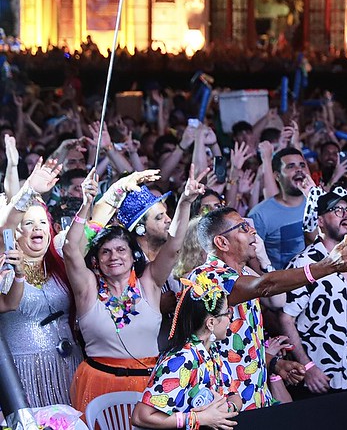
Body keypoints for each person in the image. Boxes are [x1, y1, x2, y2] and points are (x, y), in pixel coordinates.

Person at [188, 207, 347, 410]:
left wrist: (274, 364)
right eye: (243, 227)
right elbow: (265, 286)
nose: (253, 232)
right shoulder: (207, 276)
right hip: (223, 403)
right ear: (222, 242)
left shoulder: (245, 272)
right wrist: (324, 267)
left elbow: (243, 342)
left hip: (255, 397)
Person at [64, 168, 206, 415]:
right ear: (96, 261)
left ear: (132, 256)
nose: (114, 257)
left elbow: (173, 246)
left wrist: (184, 203)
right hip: (99, 384)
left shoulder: (149, 282)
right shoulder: (87, 288)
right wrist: (87, 205)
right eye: (105, 252)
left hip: (149, 387)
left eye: (121, 250)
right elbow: (70, 251)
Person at [279, 189, 347, 396]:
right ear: (320, 221)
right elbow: (286, 318)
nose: (346, 214)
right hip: (318, 379)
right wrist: (307, 367)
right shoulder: (305, 263)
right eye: (337, 210)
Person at [0, 160, 81, 407]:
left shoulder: (59, 262)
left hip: (68, 366)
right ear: (17, 233)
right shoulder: (6, 264)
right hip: (23, 371)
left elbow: (87, 229)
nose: (38, 228)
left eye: (43, 222)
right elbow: (5, 225)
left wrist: (113, 192)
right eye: (29, 223)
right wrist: (29, 191)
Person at [131, 275, 240, 430]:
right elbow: (141, 416)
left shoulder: (212, 352)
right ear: (210, 323)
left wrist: (225, 410)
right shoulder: (181, 360)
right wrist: (197, 418)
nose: (230, 318)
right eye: (227, 313)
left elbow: (234, 396)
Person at [248, 148, 310, 269]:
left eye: (302, 165)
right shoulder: (260, 214)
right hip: (283, 285)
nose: (299, 169)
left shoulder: (317, 203)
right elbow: (251, 256)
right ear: (277, 176)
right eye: (291, 166)